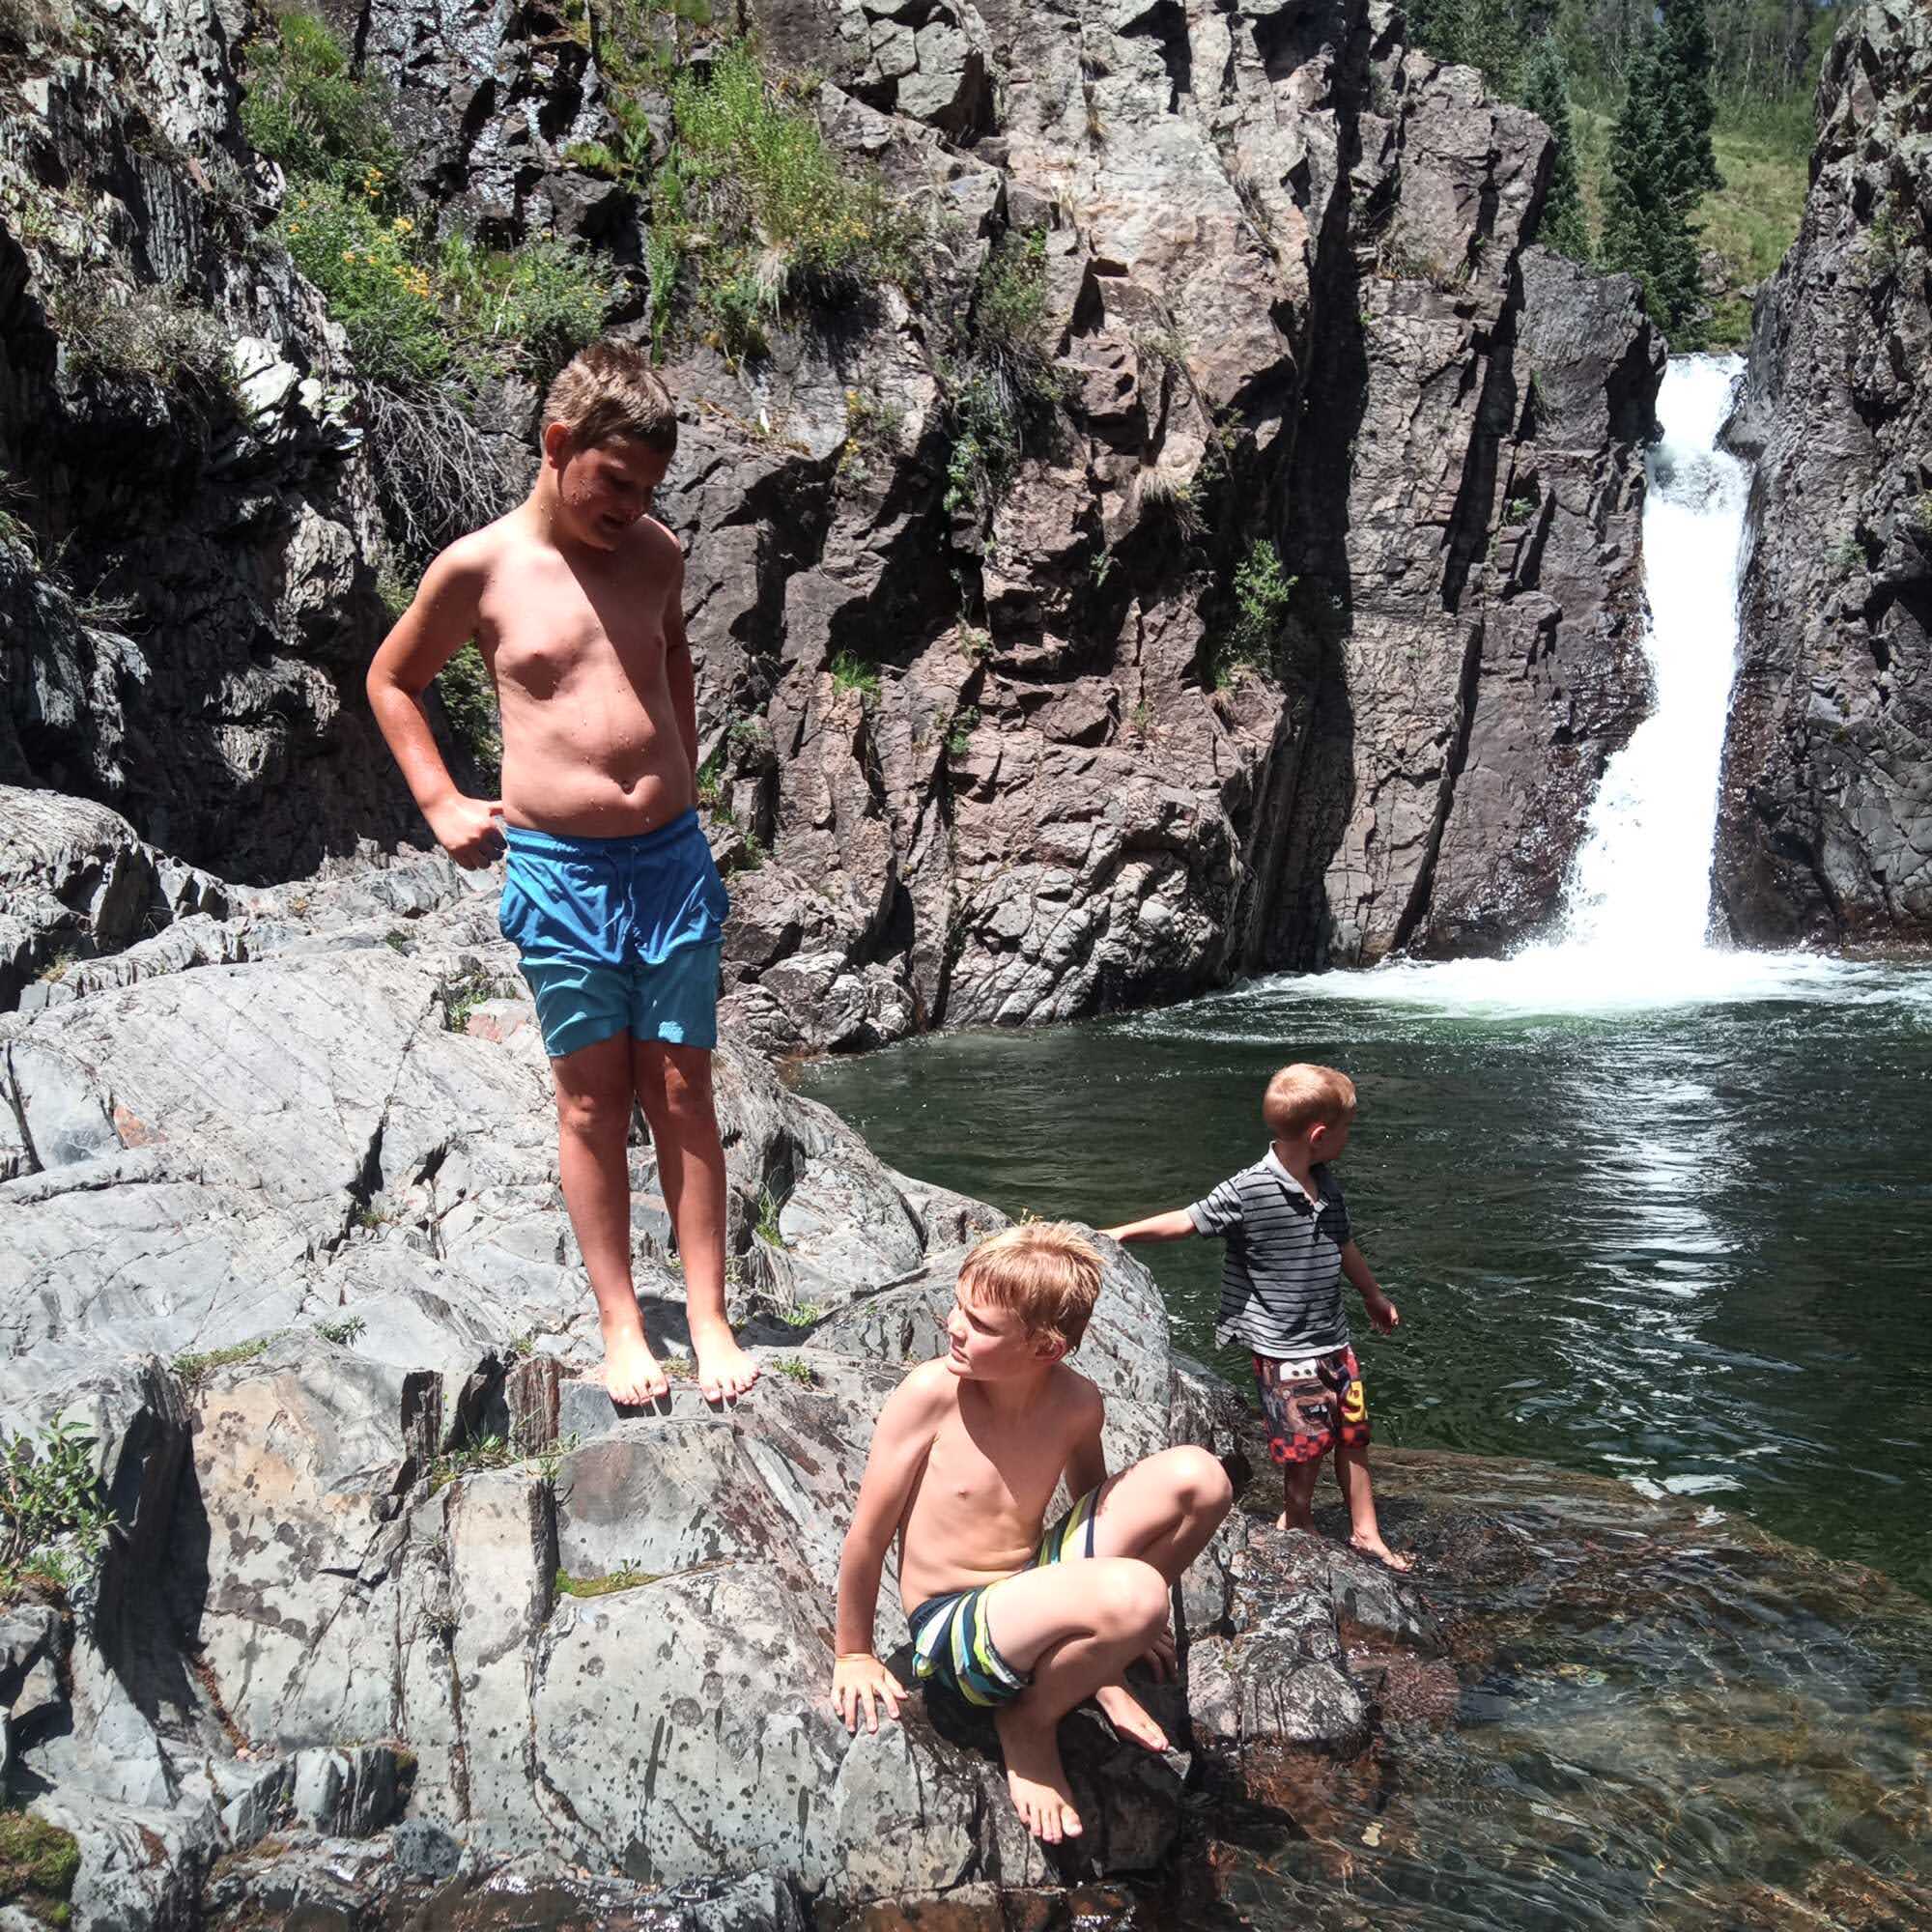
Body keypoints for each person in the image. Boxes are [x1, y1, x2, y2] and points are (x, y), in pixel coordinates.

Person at [365, 339, 758, 1407]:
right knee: (591, 1099)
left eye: (648, 490)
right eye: (614, 481)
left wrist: (682, 771)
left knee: (682, 1086)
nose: (631, 507)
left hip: (670, 860)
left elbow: (669, 654)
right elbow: (392, 679)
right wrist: (441, 800)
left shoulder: (657, 553)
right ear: (557, 444)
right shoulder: (480, 569)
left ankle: (709, 1318)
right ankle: (623, 1326)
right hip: (561, 870)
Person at [831, 1223, 1234, 1845]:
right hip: (955, 1627)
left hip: (1027, 1585)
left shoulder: (1077, 1404)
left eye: (980, 1324)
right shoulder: (932, 1395)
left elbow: (1097, 1505)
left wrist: (1113, 1638)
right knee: (1139, 1597)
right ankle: (1030, 1721)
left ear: (1046, 1348)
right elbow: (867, 1535)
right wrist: (853, 1653)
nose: (953, 1326)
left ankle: (1094, 1666)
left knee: (1202, 1479)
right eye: (958, 1307)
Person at [1101, 1063, 1410, 1571]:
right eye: (1347, 1129)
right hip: (1284, 1349)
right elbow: (1189, 1220)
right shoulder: (1249, 1189)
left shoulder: (1327, 1185)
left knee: (1353, 1434)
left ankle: (1365, 1531)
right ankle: (1298, 1522)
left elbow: (1344, 1244)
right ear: (1318, 1135)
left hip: (1333, 1339)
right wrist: (1121, 1233)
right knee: (1303, 1446)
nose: (1349, 1138)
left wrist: (1373, 1295)